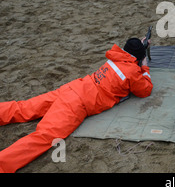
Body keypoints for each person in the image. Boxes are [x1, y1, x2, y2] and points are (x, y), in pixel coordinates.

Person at [0, 37, 153, 173]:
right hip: (76, 104)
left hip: (72, 88)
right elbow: (145, 90)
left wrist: (139, 44)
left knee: (23, 108)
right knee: (45, 137)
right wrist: (144, 67)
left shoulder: (116, 56)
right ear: (138, 57)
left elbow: (130, 53)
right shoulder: (132, 71)